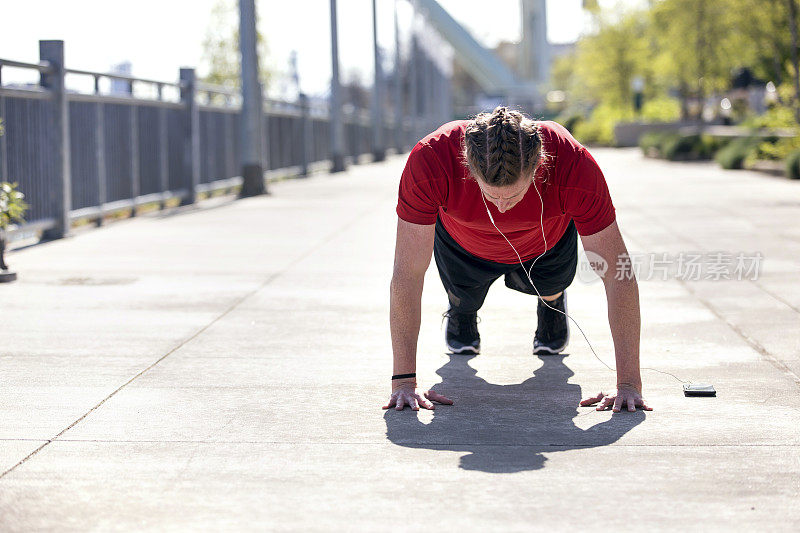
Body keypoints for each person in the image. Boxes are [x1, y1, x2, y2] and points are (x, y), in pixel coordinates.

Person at [383, 106, 652, 414]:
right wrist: (403, 382)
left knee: (551, 286)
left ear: (540, 165)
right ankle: (462, 312)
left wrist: (629, 385)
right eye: (492, 195)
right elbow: (407, 273)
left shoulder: (574, 165)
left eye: (511, 196)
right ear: (467, 166)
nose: (501, 208)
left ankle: (550, 305)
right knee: (464, 298)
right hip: (464, 242)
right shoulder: (431, 159)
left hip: (545, 244)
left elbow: (618, 274)